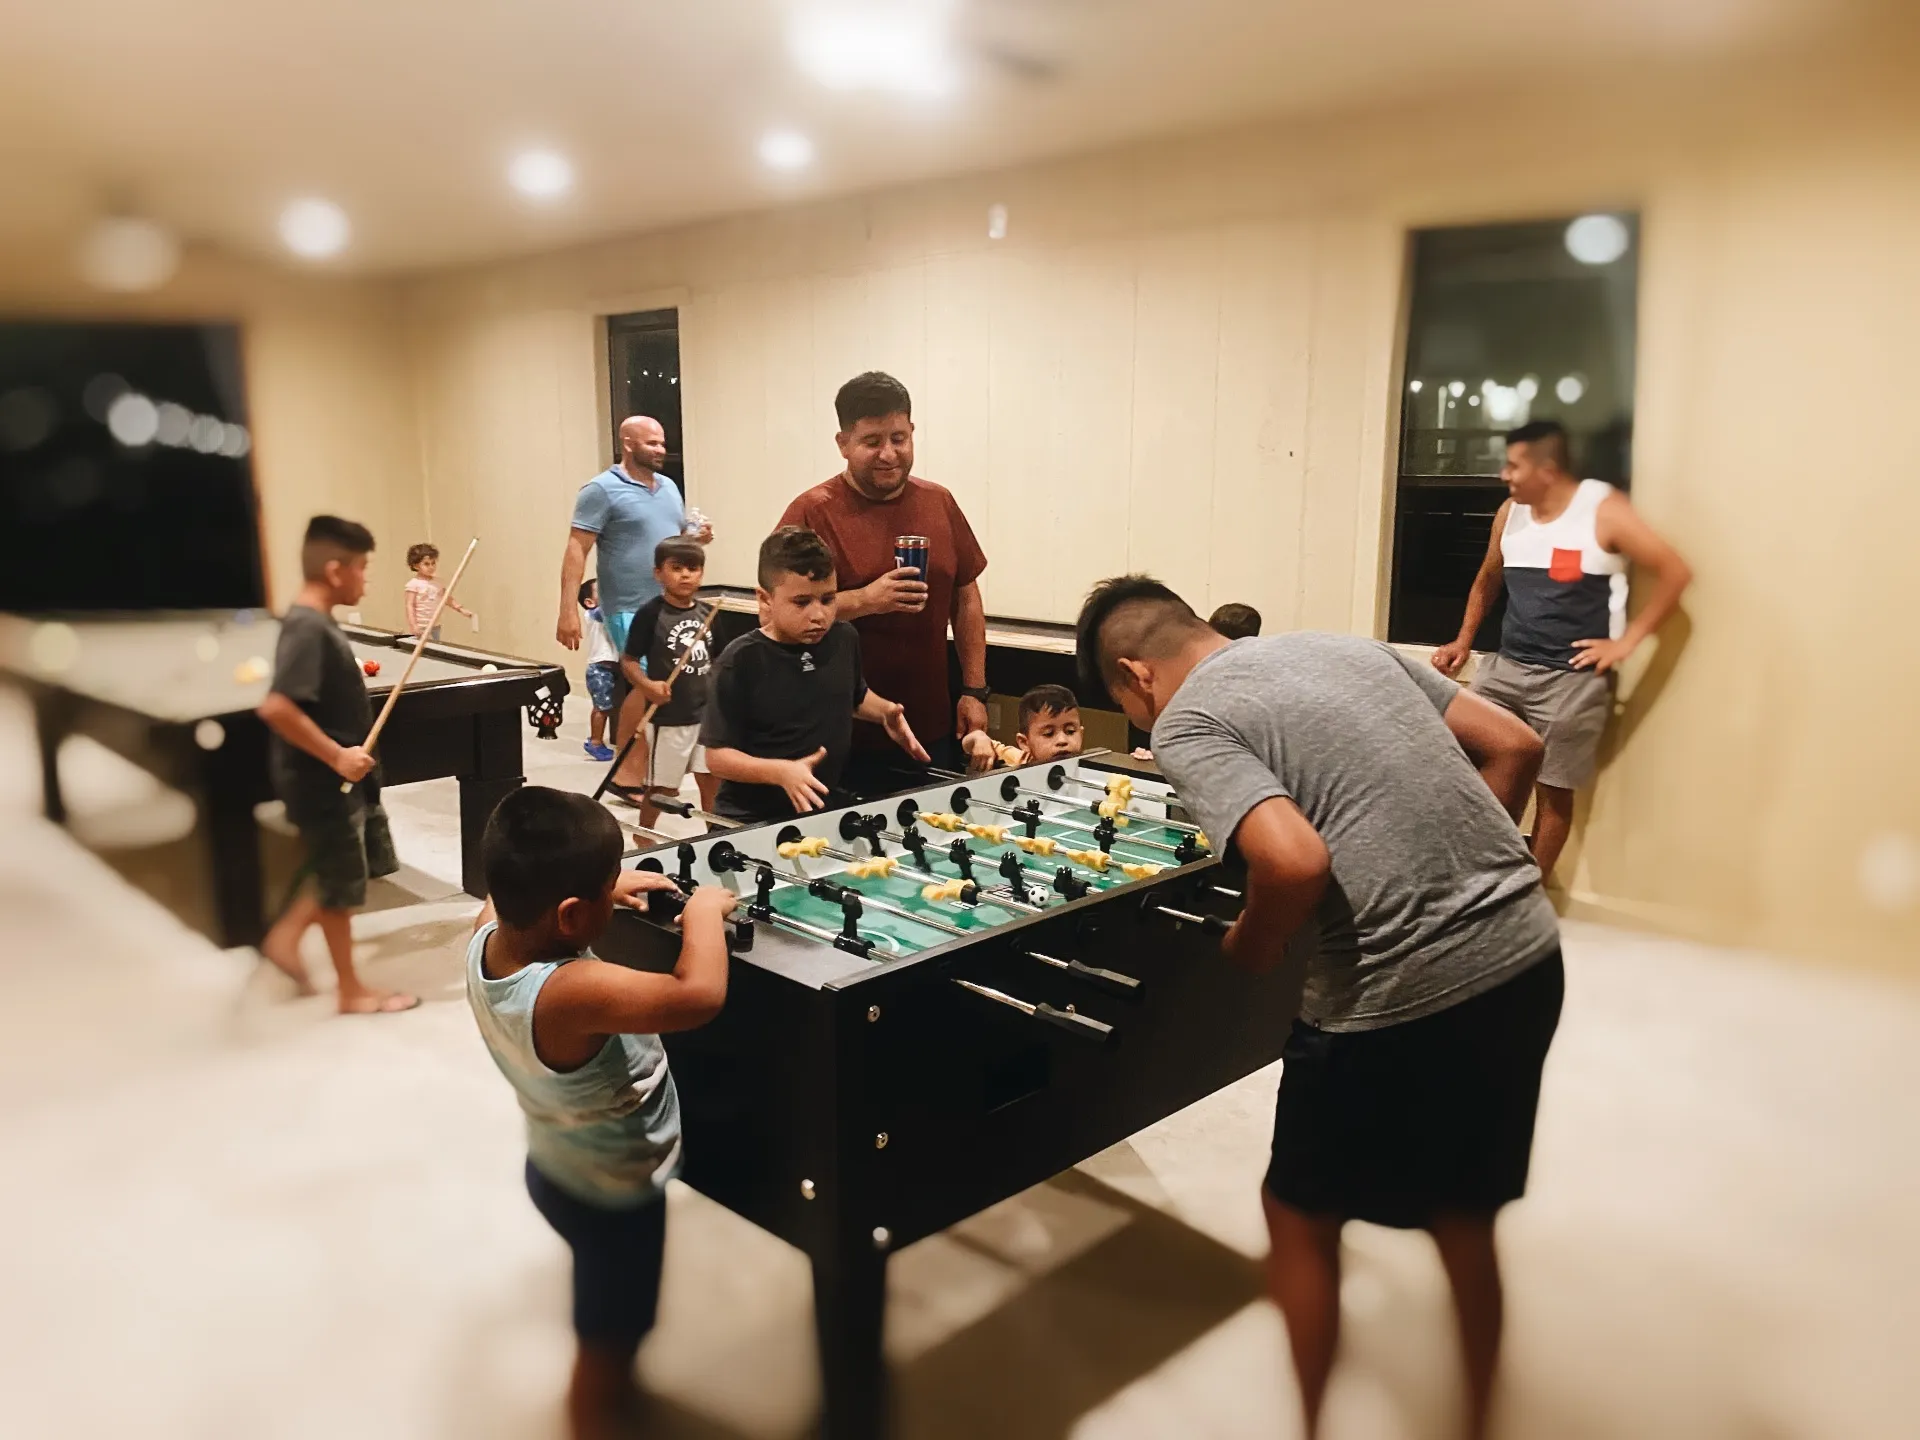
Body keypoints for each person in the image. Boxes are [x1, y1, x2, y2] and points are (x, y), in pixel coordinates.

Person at [1077, 575, 1560, 1440]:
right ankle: (1481, 1422)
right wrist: (1452, 881)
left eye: (1128, 709)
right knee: (1464, 1214)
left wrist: (1253, 949)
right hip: (1527, 948)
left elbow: (1292, 862)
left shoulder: (1189, 718)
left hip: (1398, 995)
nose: (1147, 731)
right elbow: (1517, 746)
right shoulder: (1340, 645)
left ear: (1134, 674)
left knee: (1298, 1216)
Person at [466, 786, 735, 1439]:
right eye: (605, 887)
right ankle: (591, 1418)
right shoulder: (570, 991)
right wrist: (703, 912)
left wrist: (597, 889)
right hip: (612, 1197)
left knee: (610, 1315)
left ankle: (612, 1392)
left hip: (556, 1166)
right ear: (568, 916)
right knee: (610, 1330)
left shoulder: (486, 937)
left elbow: (498, 899)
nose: (616, 891)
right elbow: (698, 995)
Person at [1431, 419, 1692, 885]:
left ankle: (1523, 902)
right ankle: (1468, 886)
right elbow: (1488, 580)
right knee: (1467, 778)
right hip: (1504, 669)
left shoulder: (1602, 510)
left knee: (1554, 797)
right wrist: (1463, 640)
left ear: (1547, 469)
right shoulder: (1510, 511)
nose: (1504, 475)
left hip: (1572, 680)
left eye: (1513, 465)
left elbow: (1675, 571)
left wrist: (1626, 643)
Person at [777, 371, 988, 794]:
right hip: (834, 736)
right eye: (872, 442)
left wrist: (974, 690)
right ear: (843, 444)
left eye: (899, 438)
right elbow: (777, 614)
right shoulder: (812, 512)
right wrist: (864, 600)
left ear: (912, 432)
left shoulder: (939, 501)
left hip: (927, 727)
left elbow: (965, 596)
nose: (888, 454)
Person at [256, 516, 420, 1015]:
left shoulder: (316, 621)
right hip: (322, 780)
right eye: (361, 568)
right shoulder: (307, 626)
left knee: (337, 871)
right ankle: (350, 991)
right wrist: (338, 755)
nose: (365, 579)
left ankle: (284, 939)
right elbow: (278, 706)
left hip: (333, 779)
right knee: (341, 886)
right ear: (335, 571)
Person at [701, 526, 927, 822]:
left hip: (820, 811)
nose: (819, 614)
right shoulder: (741, 660)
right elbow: (716, 758)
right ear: (765, 599)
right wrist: (781, 772)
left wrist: (885, 711)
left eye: (828, 599)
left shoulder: (843, 638)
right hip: (750, 819)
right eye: (802, 602)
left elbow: (853, 696)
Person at [617, 537, 717, 827]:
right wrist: (648, 686)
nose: (686, 575)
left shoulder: (708, 613)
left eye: (693, 568)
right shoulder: (650, 614)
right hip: (669, 719)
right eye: (676, 568)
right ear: (658, 573)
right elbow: (629, 661)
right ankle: (644, 834)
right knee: (664, 789)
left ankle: (714, 835)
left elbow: (720, 660)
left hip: (706, 717)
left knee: (710, 781)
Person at [961, 683, 1085, 771]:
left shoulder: (1087, 767)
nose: (1062, 740)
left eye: (1070, 731)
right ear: (1024, 742)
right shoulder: (1019, 760)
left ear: (1081, 734)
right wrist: (980, 738)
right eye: (1048, 733)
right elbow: (969, 743)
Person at [577, 579, 619, 763]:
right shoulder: (593, 614)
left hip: (613, 667)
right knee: (602, 708)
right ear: (589, 602)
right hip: (599, 669)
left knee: (610, 707)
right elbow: (607, 611)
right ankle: (595, 741)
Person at [403, 542, 473, 640]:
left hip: (435, 625)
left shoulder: (438, 582)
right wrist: (413, 625)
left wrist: (461, 609)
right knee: (423, 652)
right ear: (415, 566)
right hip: (421, 626)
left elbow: (446, 598)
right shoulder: (413, 584)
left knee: (435, 649)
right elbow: (410, 606)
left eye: (433, 563)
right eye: (426, 564)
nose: (431, 567)